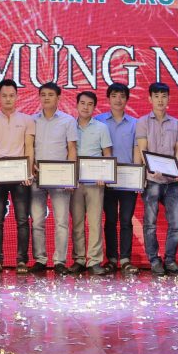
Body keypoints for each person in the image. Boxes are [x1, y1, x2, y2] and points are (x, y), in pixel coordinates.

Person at [134, 82, 178, 276]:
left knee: (176, 223)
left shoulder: (175, 123)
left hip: (172, 181)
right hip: (152, 179)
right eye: (156, 96)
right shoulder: (142, 122)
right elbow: (143, 149)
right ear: (150, 99)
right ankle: (154, 260)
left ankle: (170, 261)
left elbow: (177, 151)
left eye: (164, 96)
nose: (160, 100)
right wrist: (150, 168)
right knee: (150, 223)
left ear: (169, 99)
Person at [0, 79, 35, 274]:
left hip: (20, 176)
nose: (8, 99)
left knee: (22, 220)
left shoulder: (27, 120)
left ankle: (21, 261)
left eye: (11, 95)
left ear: (17, 96)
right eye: (4, 95)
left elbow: (29, 147)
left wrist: (28, 172)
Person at [30, 82, 77, 275]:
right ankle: (40, 259)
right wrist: (30, 165)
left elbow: (72, 149)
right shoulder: (32, 120)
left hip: (60, 178)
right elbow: (28, 146)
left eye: (51, 94)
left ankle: (59, 261)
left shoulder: (68, 121)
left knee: (61, 222)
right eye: (43, 94)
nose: (46, 98)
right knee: (37, 221)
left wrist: (71, 177)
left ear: (59, 97)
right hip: (37, 176)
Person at [96, 82, 138, 274]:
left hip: (128, 180)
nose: (118, 100)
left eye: (122, 96)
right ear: (108, 99)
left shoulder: (135, 123)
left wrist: (138, 176)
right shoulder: (99, 121)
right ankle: (112, 259)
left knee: (126, 220)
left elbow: (137, 151)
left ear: (127, 99)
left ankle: (126, 259)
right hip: (106, 180)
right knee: (110, 220)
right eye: (114, 96)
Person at [71, 90, 112, 276]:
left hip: (96, 182)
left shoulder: (102, 128)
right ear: (77, 105)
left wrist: (105, 175)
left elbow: (107, 154)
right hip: (74, 181)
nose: (86, 107)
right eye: (82, 103)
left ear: (94, 107)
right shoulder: (69, 126)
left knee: (95, 222)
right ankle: (79, 259)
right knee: (77, 222)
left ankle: (94, 260)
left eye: (90, 104)